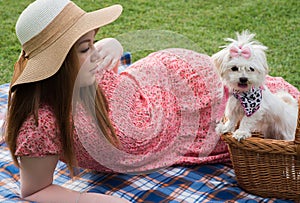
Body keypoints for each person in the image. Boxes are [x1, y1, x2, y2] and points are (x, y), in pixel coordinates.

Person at [4, 0, 300, 202]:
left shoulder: (90, 69)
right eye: (85, 48)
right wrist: (85, 198)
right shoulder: (40, 124)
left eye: (93, 42)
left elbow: (107, 52)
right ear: (56, 64)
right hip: (185, 121)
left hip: (172, 80)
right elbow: (33, 190)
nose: (95, 53)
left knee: (275, 104)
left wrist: (113, 44)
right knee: (262, 118)